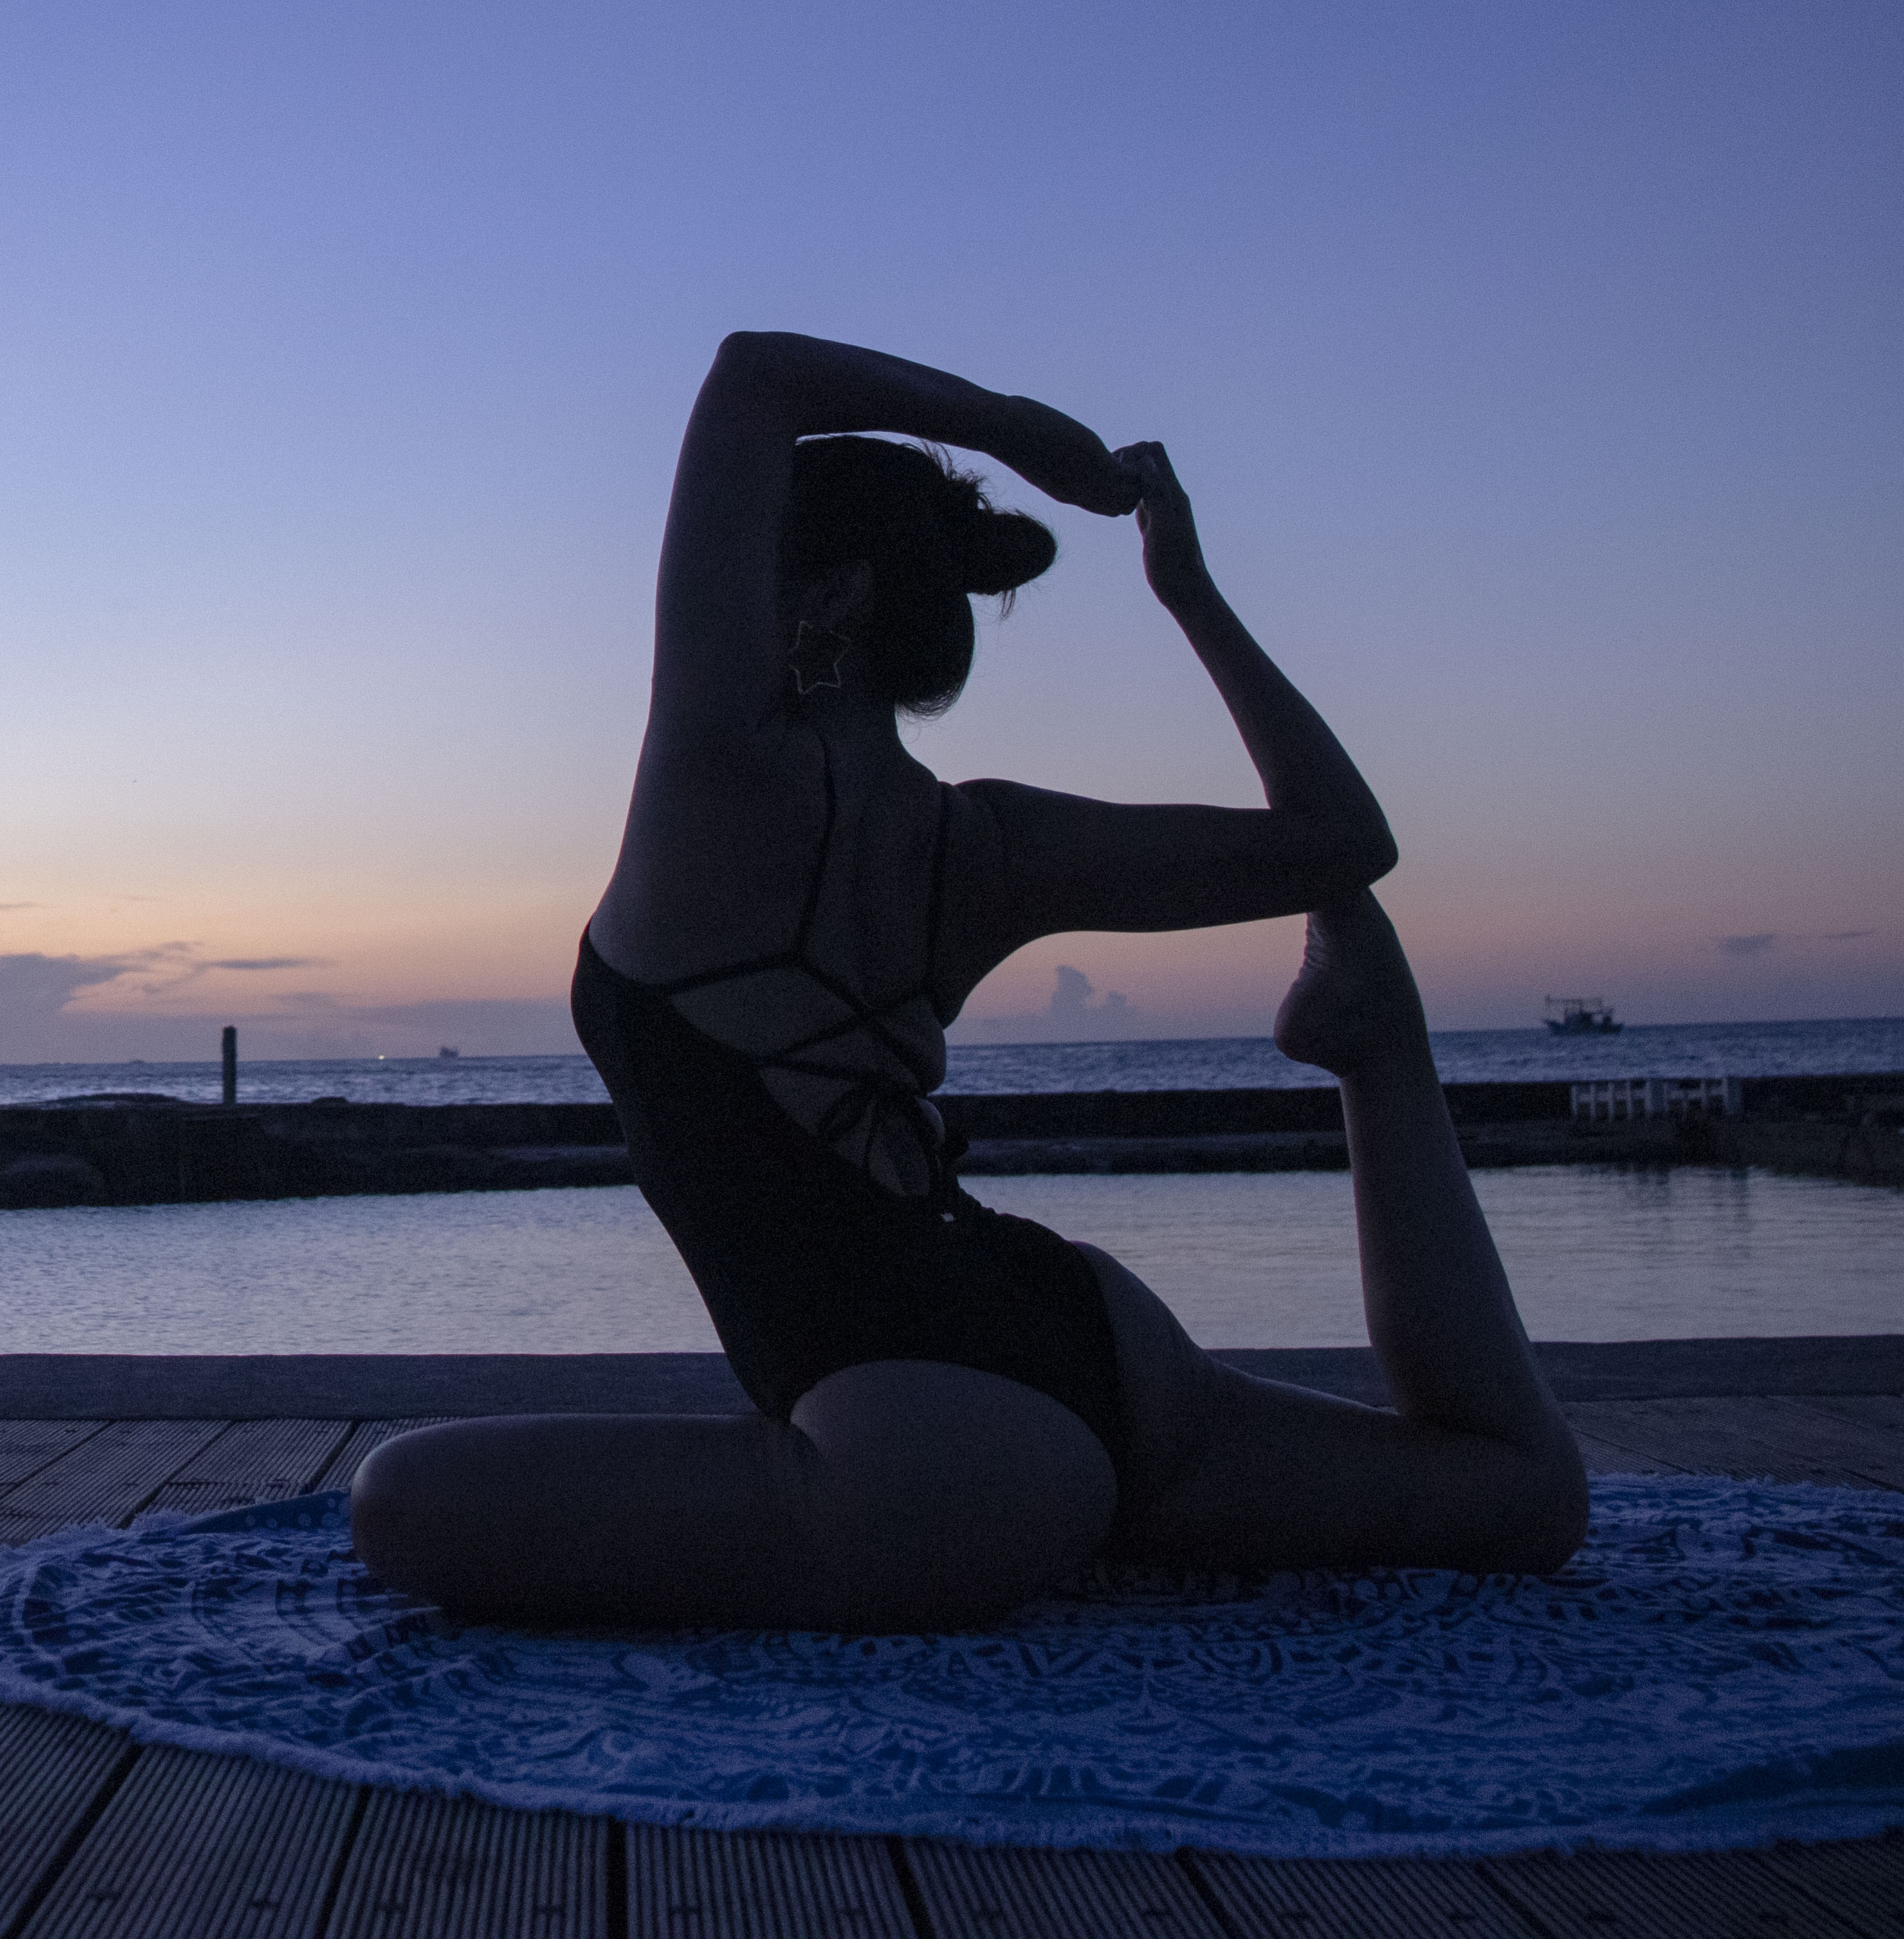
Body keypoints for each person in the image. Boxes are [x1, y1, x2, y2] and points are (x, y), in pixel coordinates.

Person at [348, 332, 1588, 1632]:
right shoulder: (993, 844)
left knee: (395, 1499)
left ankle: (878, 1480)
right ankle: (1377, 1055)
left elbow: (753, 376)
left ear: (819, 601)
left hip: (925, 1456)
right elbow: (1344, 844)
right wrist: (1190, 595)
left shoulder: (712, 781)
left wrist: (1009, 429)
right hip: (1100, 1350)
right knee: (1516, 1497)